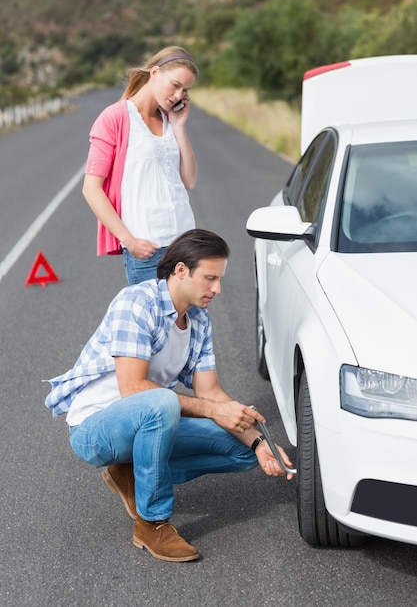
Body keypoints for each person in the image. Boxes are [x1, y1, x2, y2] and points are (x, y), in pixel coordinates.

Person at [44, 229, 293, 563]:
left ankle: (133, 471)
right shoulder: (136, 302)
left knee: (243, 450)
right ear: (180, 271)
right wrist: (212, 411)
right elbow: (132, 388)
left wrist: (261, 442)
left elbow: (211, 392)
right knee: (160, 402)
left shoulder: (199, 321)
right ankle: (152, 524)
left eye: (219, 279)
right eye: (209, 278)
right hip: (95, 430)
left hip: (148, 421)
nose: (217, 289)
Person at [82, 45, 199, 284]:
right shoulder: (114, 118)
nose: (178, 95)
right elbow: (91, 189)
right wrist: (129, 241)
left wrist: (179, 126)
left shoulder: (170, 119)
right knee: (153, 321)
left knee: (187, 322)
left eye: (185, 90)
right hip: (148, 247)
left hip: (185, 244)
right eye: (175, 85)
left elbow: (189, 180)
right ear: (155, 73)